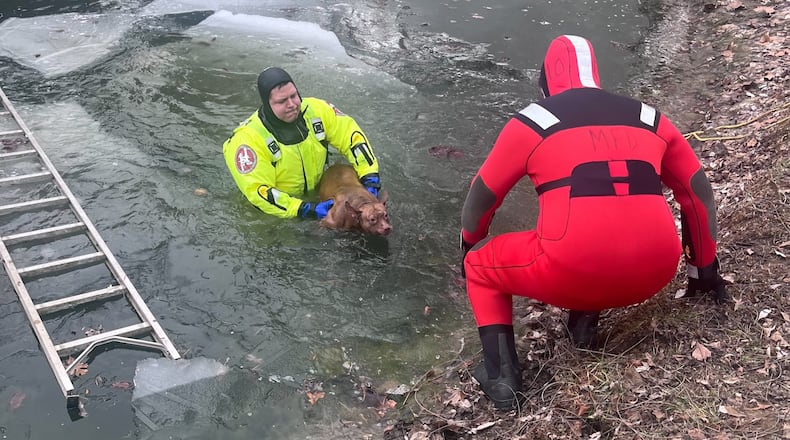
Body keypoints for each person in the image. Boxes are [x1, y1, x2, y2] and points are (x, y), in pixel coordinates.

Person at [459, 35, 727, 410]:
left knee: (481, 265)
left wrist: (470, 245)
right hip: (655, 272)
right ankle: (583, 327)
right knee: (610, 207)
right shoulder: (648, 117)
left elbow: (482, 197)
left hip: (574, 272)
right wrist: (704, 273)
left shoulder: (533, 121)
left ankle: (502, 379)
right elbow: (698, 194)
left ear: (546, 82)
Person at [223, 67, 382, 219]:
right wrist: (303, 209)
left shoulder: (317, 110)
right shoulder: (247, 140)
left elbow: (351, 137)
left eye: (294, 96)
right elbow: (258, 191)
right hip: (276, 212)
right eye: (282, 101)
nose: (292, 104)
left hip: (320, 192)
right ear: (267, 105)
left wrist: (369, 176)